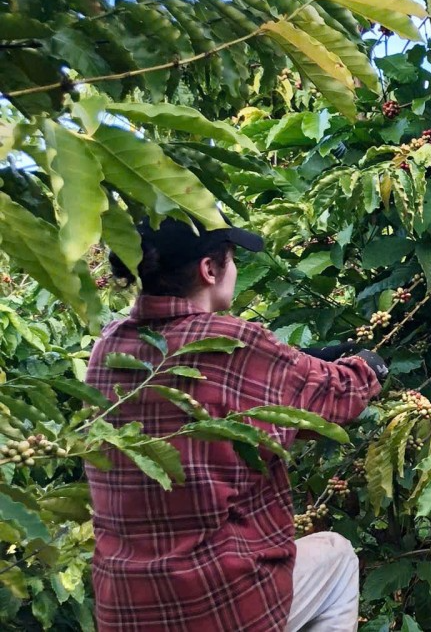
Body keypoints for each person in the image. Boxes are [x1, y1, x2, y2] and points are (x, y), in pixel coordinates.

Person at [86, 216, 389, 632]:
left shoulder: (108, 346)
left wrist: (303, 360)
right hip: (216, 605)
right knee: (337, 557)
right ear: (209, 269)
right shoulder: (234, 344)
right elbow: (337, 399)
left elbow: (226, 394)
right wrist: (368, 364)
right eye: (231, 259)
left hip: (124, 610)